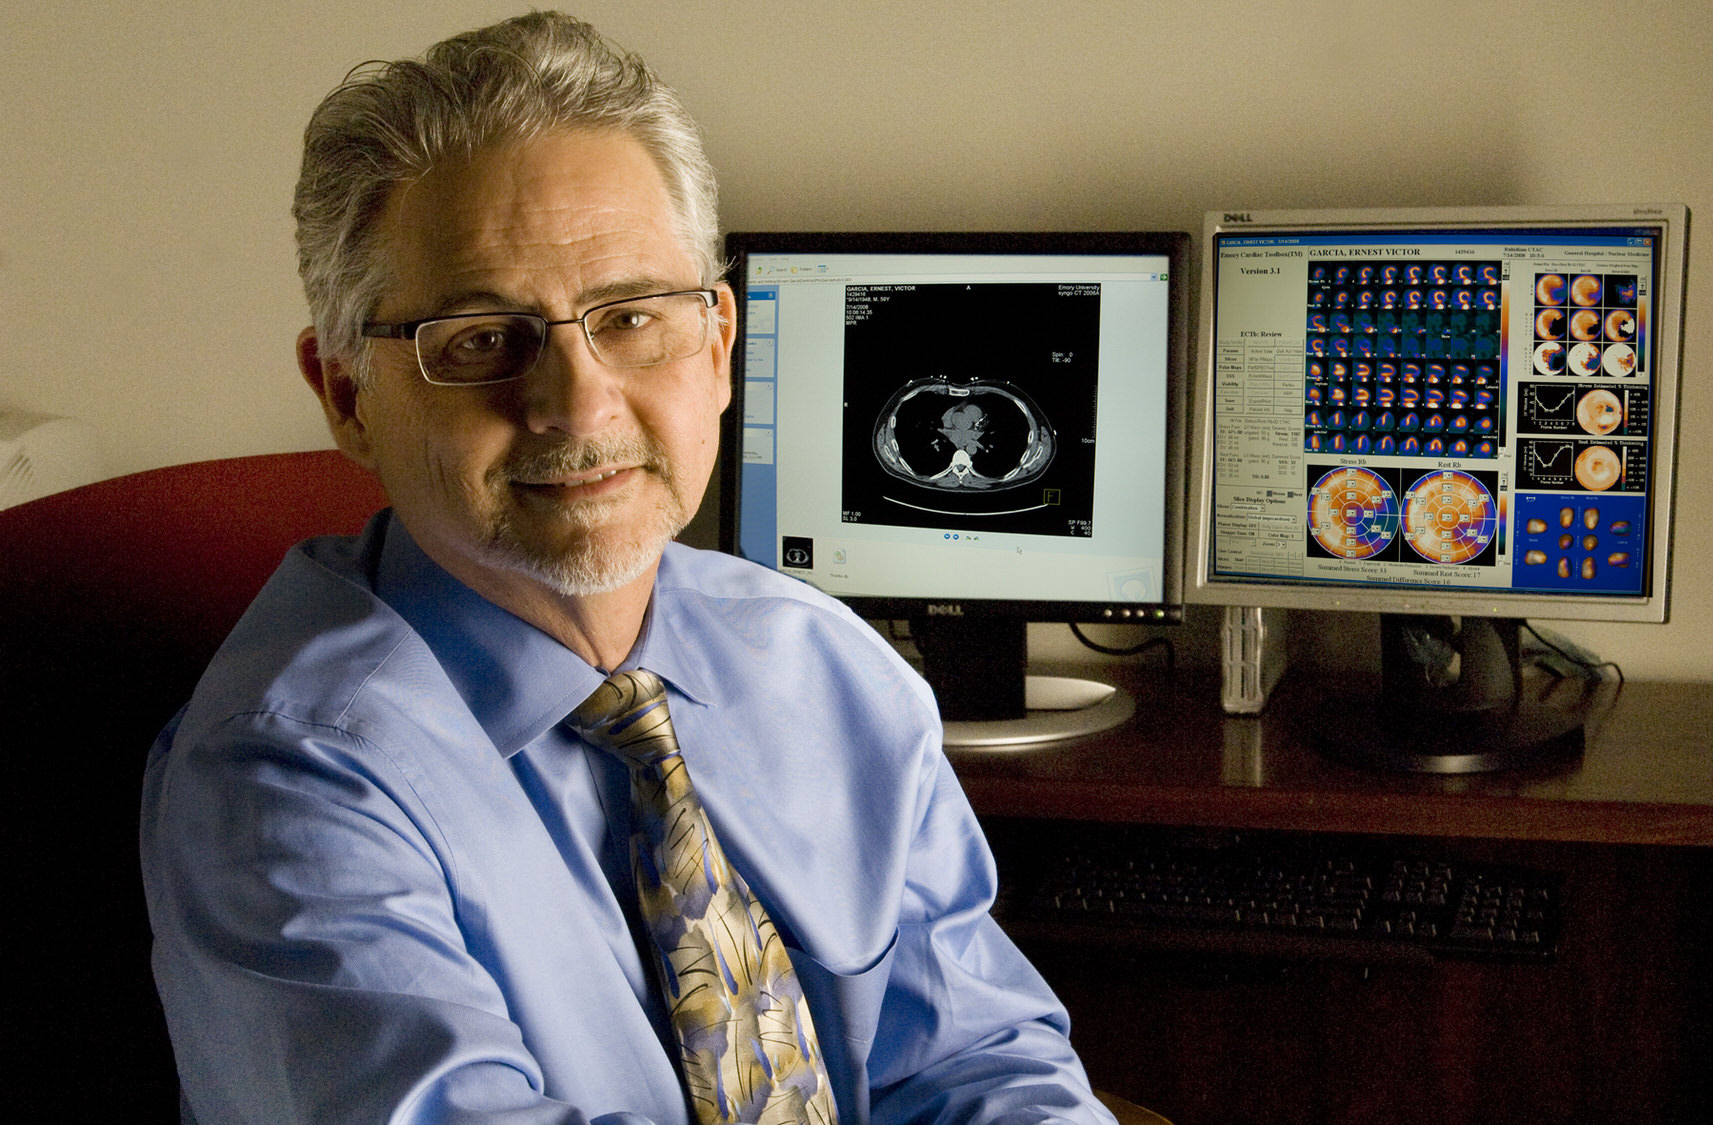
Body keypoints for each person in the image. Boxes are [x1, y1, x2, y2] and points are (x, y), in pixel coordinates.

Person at [140, 13, 1114, 1125]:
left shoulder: (826, 665)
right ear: (348, 394)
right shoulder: (287, 784)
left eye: (632, 317)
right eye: (476, 341)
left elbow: (977, 1062)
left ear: (717, 348)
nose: (577, 404)